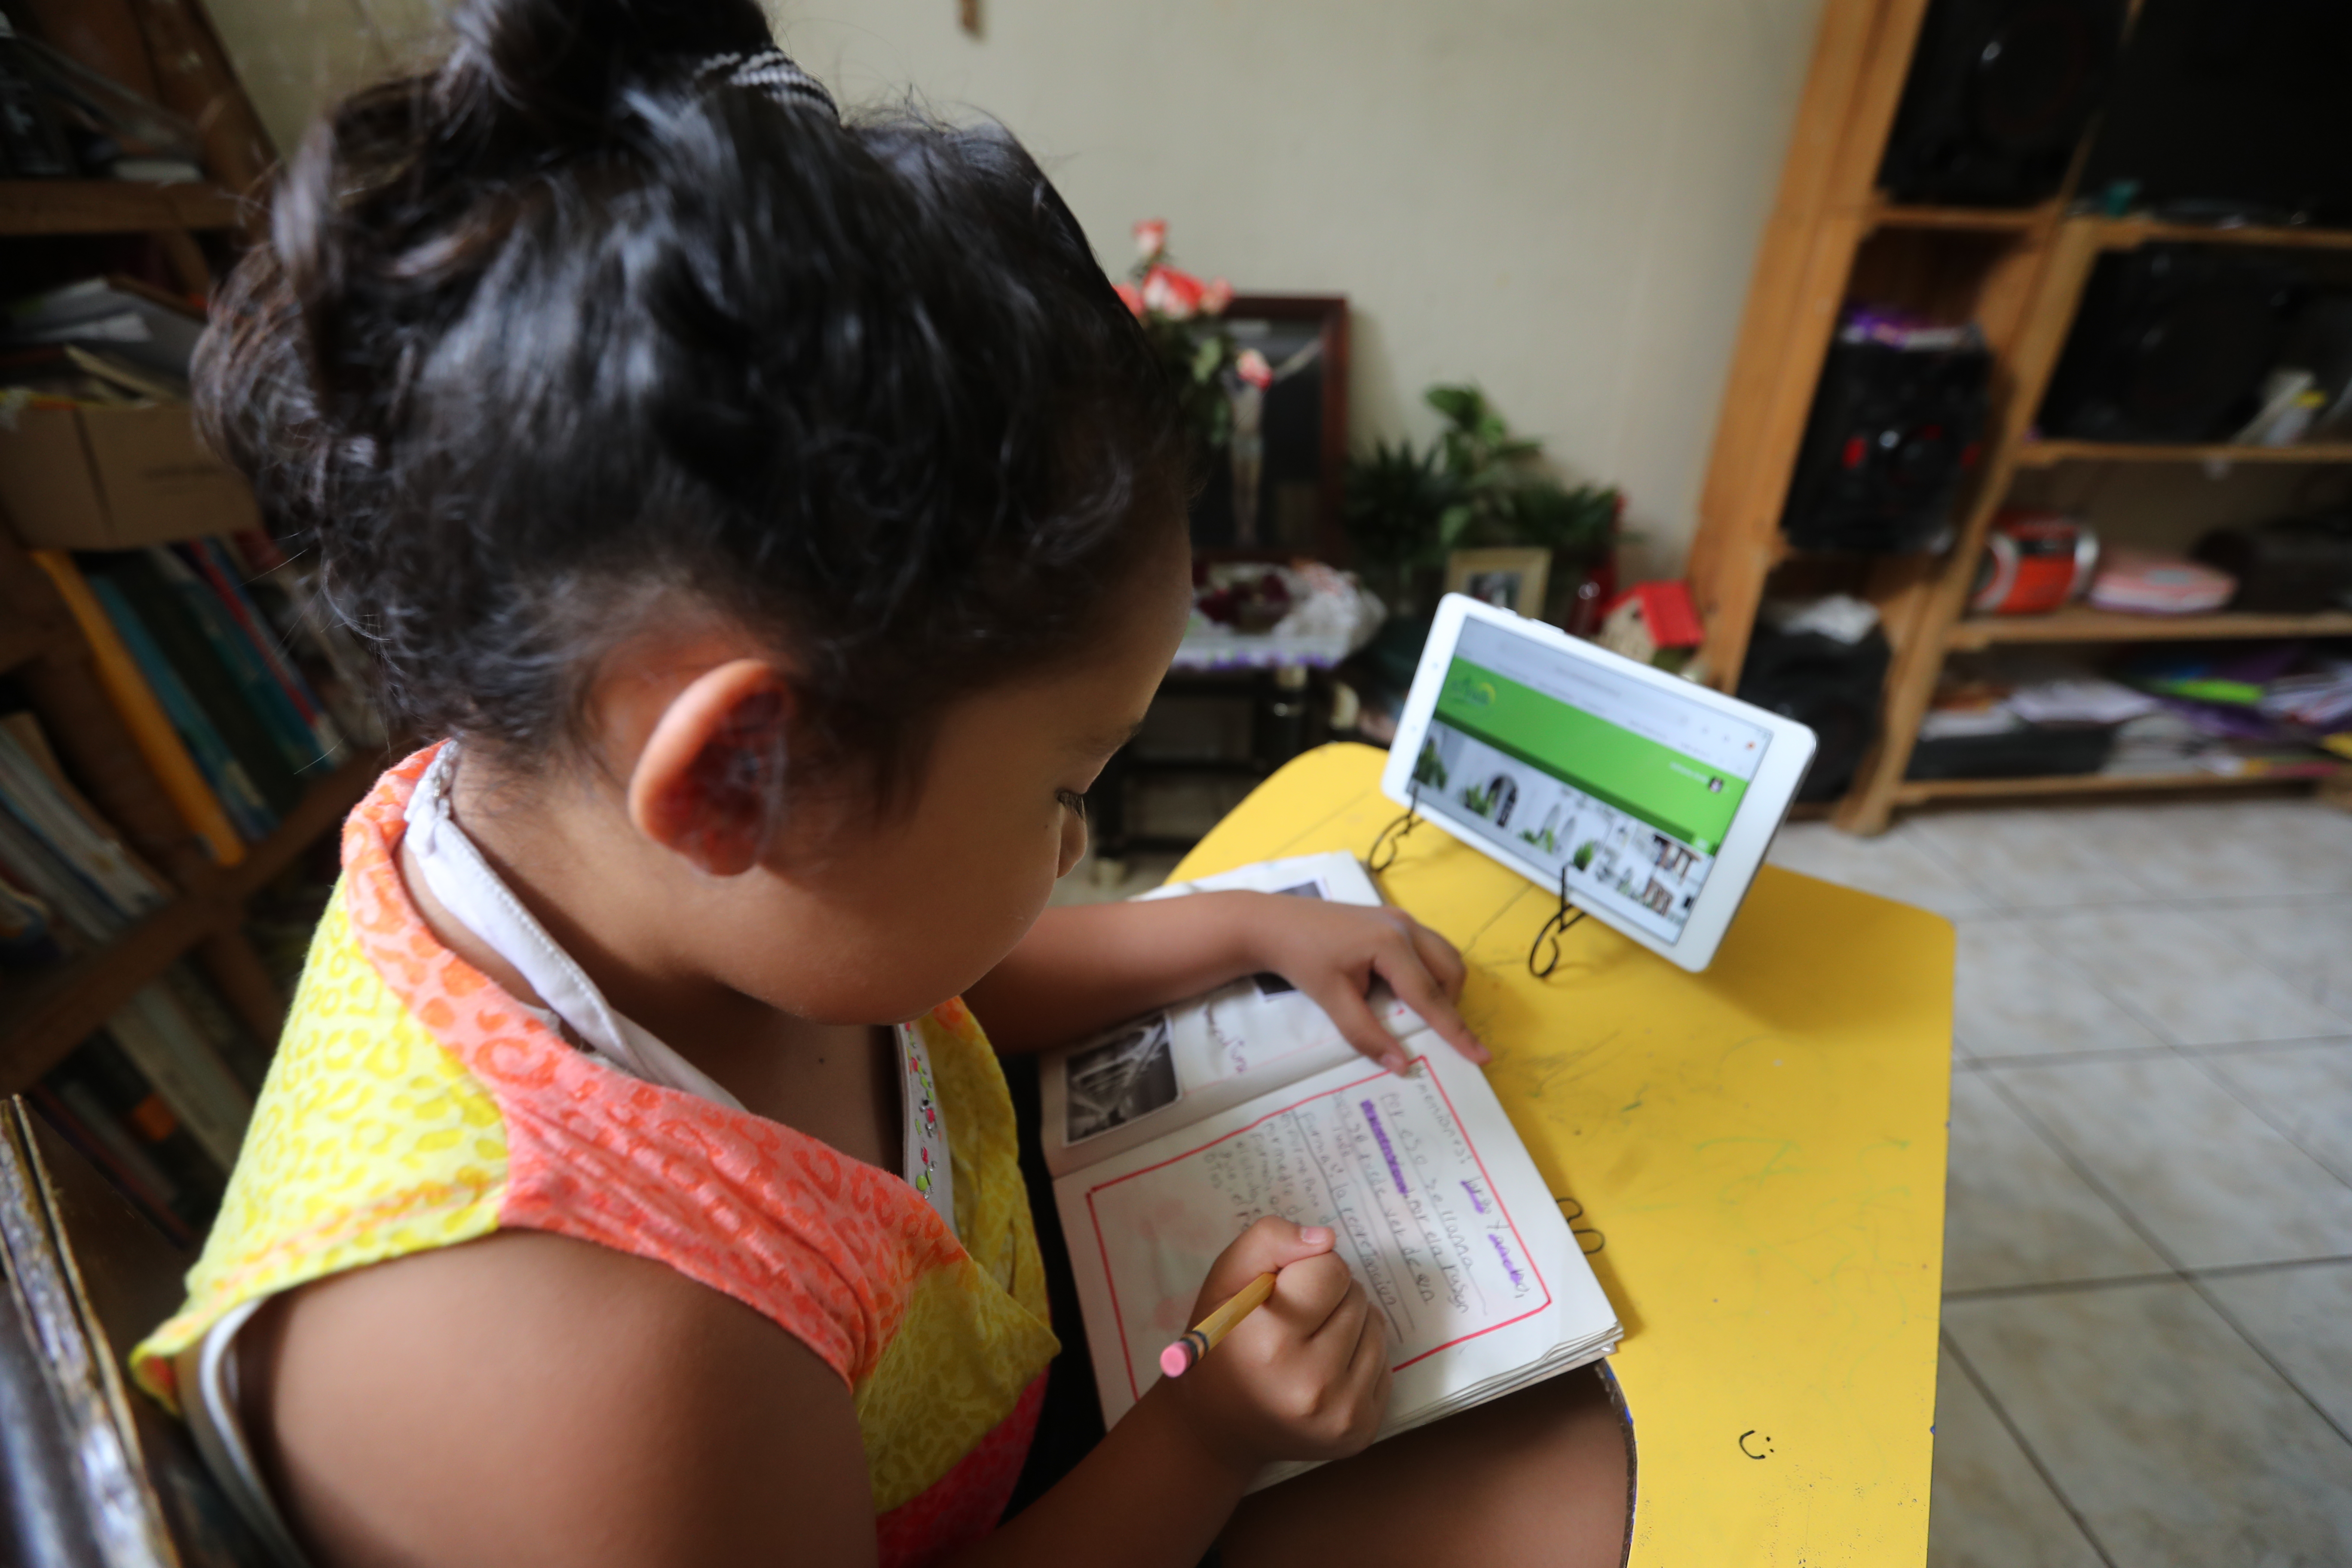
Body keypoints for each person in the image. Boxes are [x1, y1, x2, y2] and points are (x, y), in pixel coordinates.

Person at [130, 3, 1629, 1563]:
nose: (1085, 844)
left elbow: (928, 1005)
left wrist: (1238, 930)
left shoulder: (594, 831)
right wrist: (1202, 1427)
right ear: (740, 778)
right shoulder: (616, 1373)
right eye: (1064, 790)